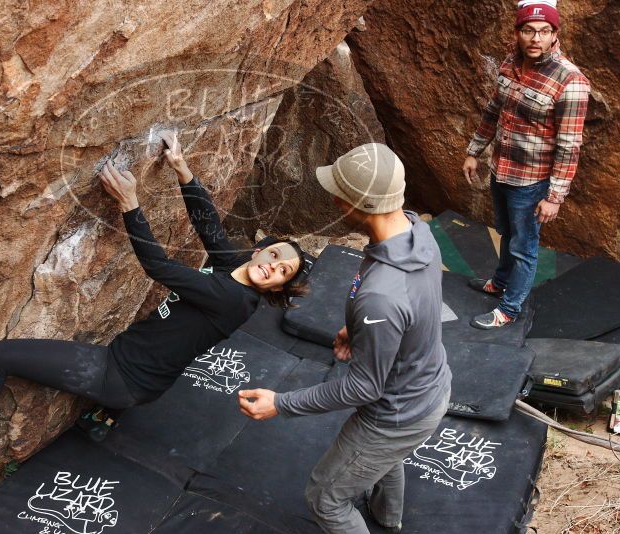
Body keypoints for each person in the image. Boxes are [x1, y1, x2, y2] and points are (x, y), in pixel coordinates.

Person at [0, 131, 307, 467]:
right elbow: (210, 227)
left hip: (117, 374)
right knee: (149, 343)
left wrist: (130, 204)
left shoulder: (234, 298)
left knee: (0, 356)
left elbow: (159, 268)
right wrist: (182, 169)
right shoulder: (235, 266)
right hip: (151, 380)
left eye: (283, 273)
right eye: (275, 256)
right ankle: (101, 416)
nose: (274, 267)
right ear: (260, 251)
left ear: (277, 289)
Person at [238, 143, 451, 534]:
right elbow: (412, 308)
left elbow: (364, 388)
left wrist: (282, 403)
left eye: (339, 194)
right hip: (427, 389)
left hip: (395, 415)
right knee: (387, 460)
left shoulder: (381, 298)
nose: (334, 199)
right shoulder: (415, 231)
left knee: (326, 498)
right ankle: (389, 520)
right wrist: (358, 329)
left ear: (353, 205)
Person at [462, 0, 590, 330]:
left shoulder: (570, 80)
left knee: (524, 245)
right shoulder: (511, 61)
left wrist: (555, 197)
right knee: (506, 232)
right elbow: (494, 110)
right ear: (518, 33)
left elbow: (569, 146)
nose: (536, 38)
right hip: (502, 169)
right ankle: (501, 282)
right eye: (528, 30)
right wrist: (474, 151)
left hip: (532, 182)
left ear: (554, 34)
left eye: (544, 31)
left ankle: (509, 308)